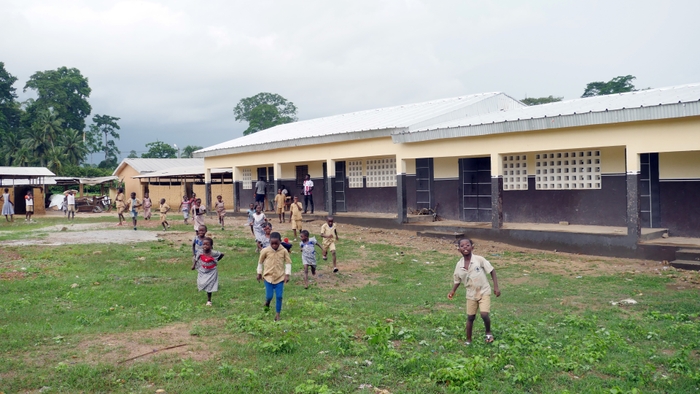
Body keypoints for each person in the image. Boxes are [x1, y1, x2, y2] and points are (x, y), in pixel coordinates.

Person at [447, 238, 501, 345]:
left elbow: (492, 270)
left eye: (467, 245)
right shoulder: (459, 265)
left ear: (472, 247)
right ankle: (468, 340)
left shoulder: (479, 260)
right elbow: (457, 280)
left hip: (483, 291)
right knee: (470, 317)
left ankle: (488, 332)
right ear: (459, 250)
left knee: (484, 314)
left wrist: (496, 287)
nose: (465, 248)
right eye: (462, 246)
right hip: (471, 294)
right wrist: (453, 291)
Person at [257, 232, 292, 321]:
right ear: (269, 242)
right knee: (269, 296)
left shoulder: (284, 251)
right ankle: (267, 302)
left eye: (276, 243)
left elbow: (288, 262)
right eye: (272, 243)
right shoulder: (265, 251)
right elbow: (260, 262)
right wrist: (259, 273)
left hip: (279, 277)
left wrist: (287, 274)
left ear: (280, 241)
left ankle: (277, 314)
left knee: (279, 296)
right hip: (268, 277)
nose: (274, 245)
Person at [192, 236, 224, 306]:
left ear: (211, 246)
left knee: (210, 286)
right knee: (200, 282)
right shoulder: (200, 252)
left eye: (207, 244)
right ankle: (203, 287)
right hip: (202, 270)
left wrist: (216, 260)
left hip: (211, 271)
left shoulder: (213, 253)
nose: (205, 246)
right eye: (204, 244)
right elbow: (196, 258)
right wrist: (194, 266)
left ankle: (209, 300)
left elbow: (222, 254)